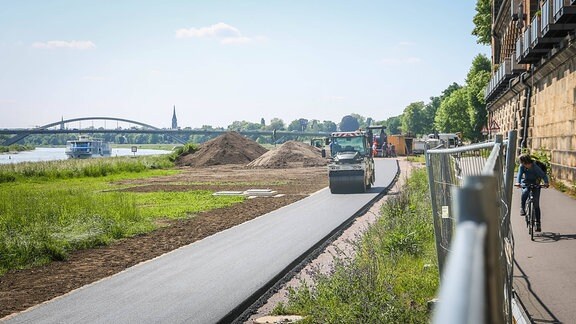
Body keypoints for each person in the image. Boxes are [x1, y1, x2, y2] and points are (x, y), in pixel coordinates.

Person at [514, 153, 549, 232]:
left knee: (536, 204)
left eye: (521, 162)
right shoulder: (522, 166)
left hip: (536, 184)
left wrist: (546, 183)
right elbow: (519, 175)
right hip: (526, 182)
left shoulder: (535, 167)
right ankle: (522, 208)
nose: (521, 164)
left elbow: (543, 175)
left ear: (525, 161)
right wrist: (518, 182)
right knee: (525, 192)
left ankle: (538, 224)